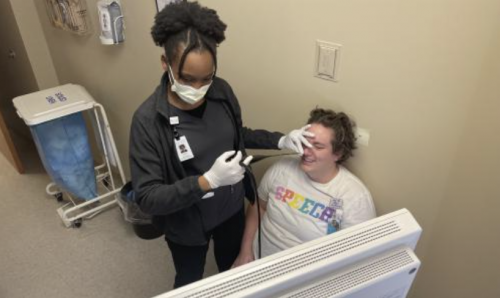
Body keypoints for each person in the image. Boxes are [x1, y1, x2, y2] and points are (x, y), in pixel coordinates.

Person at [129, 1, 313, 289]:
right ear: (165, 64)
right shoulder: (147, 121)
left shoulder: (221, 92)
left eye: (206, 78)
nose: (199, 89)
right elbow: (148, 197)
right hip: (187, 226)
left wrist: (280, 139)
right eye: (187, 79)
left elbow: (237, 134)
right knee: (190, 281)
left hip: (230, 212)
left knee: (232, 272)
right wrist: (206, 181)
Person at [232, 108, 377, 266]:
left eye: (318, 146)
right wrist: (245, 250)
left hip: (305, 276)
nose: (306, 151)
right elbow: (258, 207)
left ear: (338, 153)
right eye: (305, 142)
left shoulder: (354, 196)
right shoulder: (281, 169)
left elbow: (357, 255)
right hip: (256, 260)